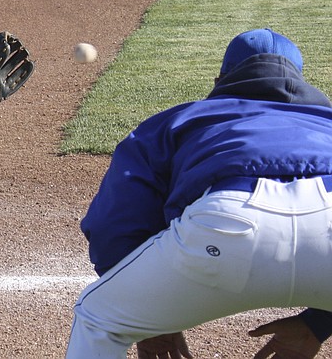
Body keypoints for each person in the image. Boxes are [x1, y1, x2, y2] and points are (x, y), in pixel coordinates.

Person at [65, 28, 332, 358]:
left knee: (98, 319)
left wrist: (151, 316)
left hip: (229, 225)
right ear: (300, 80)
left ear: (219, 79)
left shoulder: (180, 118)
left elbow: (114, 224)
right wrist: (319, 323)